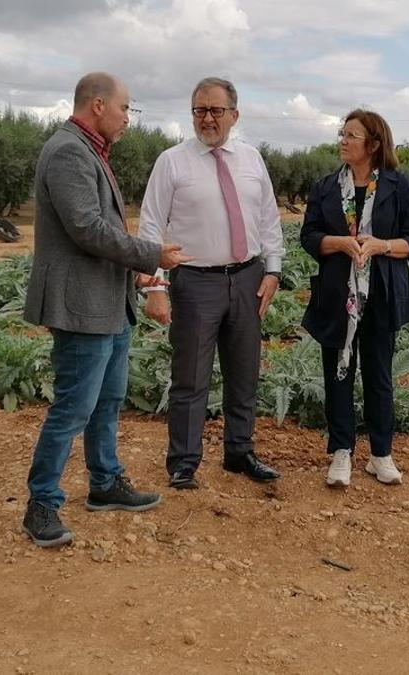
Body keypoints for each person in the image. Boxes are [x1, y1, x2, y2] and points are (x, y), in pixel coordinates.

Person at [21, 72, 190, 547]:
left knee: (108, 400)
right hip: (81, 306)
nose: (128, 119)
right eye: (125, 108)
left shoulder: (89, 150)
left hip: (107, 301)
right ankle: (42, 503)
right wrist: (148, 254)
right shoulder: (69, 151)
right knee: (74, 405)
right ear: (98, 105)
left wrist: (133, 272)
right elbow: (87, 228)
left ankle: (104, 483)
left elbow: (96, 231)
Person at [139, 77, 284, 490]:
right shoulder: (172, 161)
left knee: (244, 373)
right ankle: (183, 462)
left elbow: (268, 221)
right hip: (195, 282)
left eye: (216, 110)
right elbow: (151, 225)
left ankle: (239, 452)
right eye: (199, 110)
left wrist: (272, 271)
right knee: (190, 377)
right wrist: (155, 287)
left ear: (234, 115)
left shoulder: (253, 160)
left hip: (247, 278)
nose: (207, 118)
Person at [299, 109, 409, 488]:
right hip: (338, 294)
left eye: (351, 135)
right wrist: (340, 243)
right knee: (338, 372)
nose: (343, 139)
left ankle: (380, 454)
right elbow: (308, 236)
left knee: (379, 374)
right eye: (342, 133)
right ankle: (341, 453)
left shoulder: (398, 186)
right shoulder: (325, 187)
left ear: (372, 144)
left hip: (382, 294)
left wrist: (380, 245)